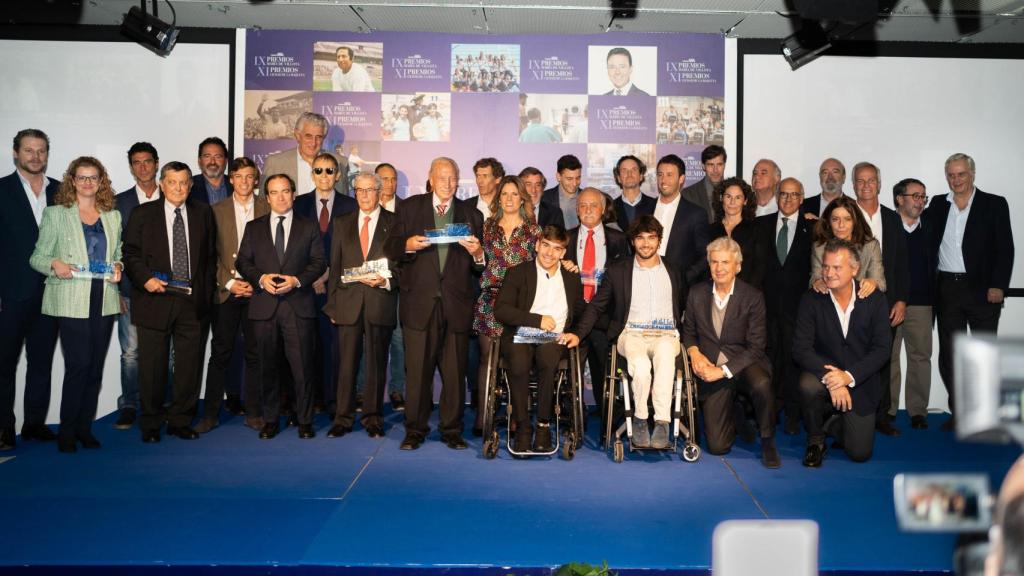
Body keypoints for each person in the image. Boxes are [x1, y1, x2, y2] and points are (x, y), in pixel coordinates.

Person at [384, 157, 485, 451]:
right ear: (430, 178)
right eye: (442, 177)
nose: (447, 183)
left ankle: (452, 430)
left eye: (452, 178)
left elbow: (479, 267)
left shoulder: (472, 214)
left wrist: (478, 253)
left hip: (456, 306)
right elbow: (391, 247)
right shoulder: (410, 207)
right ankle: (415, 430)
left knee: (454, 374)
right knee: (417, 373)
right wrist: (407, 245)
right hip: (419, 304)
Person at [28, 157, 122, 453]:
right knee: (79, 365)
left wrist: (118, 266)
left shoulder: (112, 216)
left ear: (101, 181)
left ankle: (84, 429)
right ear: (72, 180)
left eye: (93, 177)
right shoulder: (56, 213)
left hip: (103, 299)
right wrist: (54, 264)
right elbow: (37, 257)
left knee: (94, 368)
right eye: (82, 177)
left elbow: (117, 253)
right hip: (70, 300)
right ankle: (67, 432)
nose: (87, 183)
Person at [569, 215, 684, 449]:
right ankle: (640, 420)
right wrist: (579, 334)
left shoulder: (674, 270)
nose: (645, 243)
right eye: (640, 238)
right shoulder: (618, 270)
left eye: (651, 238)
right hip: (631, 334)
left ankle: (662, 422)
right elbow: (597, 306)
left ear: (659, 240)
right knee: (640, 367)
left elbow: (684, 305)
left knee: (665, 357)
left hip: (666, 335)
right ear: (632, 241)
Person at [122, 161, 217, 443]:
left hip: (192, 302)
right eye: (172, 182)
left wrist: (205, 294)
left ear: (191, 185)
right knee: (152, 366)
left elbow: (210, 257)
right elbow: (130, 253)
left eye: (184, 182)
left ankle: (180, 420)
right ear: (162, 184)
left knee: (189, 366)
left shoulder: (203, 212)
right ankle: (151, 423)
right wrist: (145, 280)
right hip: (155, 298)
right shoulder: (142, 214)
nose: (178, 188)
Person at [924, 153, 1014, 431]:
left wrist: (999, 285)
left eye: (961, 174)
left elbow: (1005, 248)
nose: (956, 180)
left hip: (983, 291)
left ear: (972, 174)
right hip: (947, 289)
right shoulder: (938, 204)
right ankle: (960, 413)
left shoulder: (994, 204)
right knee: (951, 355)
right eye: (951, 175)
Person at [235, 174, 326, 440]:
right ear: (267, 197)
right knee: (268, 367)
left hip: (298, 305)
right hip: (265, 306)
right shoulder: (254, 228)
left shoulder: (308, 226)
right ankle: (271, 419)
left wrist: (296, 281)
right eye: (274, 192)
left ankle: (305, 420)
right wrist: (261, 279)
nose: (281, 197)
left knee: (303, 367)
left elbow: (319, 262)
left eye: (285, 191)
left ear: (293, 194)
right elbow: (243, 262)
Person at [793, 238, 892, 466]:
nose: (829, 273)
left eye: (837, 267)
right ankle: (816, 440)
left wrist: (848, 377)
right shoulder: (811, 299)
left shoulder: (875, 300)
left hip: (860, 380)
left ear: (854, 269)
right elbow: (801, 348)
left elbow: (882, 349)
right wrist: (832, 378)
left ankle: (832, 423)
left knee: (859, 453)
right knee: (807, 385)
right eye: (826, 267)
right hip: (823, 375)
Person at [683, 237, 778, 468]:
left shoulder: (752, 296)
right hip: (710, 365)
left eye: (725, 262)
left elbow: (756, 347)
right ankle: (735, 413)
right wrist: (695, 353)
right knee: (717, 447)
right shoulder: (696, 293)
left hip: (744, 363)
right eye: (714, 262)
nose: (719, 268)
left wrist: (723, 371)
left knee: (761, 384)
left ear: (738, 266)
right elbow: (688, 333)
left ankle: (767, 440)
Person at [494, 227, 585, 452]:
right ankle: (523, 426)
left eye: (556, 249)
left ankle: (543, 425)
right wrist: (537, 320)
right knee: (519, 360)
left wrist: (577, 333)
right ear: (537, 245)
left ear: (563, 253)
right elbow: (501, 310)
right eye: (545, 245)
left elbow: (581, 311)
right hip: (521, 334)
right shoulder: (518, 272)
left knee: (548, 357)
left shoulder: (571, 277)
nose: (549, 253)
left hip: (554, 339)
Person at [197, 157, 269, 434]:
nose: (244, 181)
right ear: (231, 180)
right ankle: (210, 415)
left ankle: (254, 413)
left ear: (256, 179)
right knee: (220, 353)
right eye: (238, 176)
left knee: (256, 354)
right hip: (226, 292)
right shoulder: (215, 211)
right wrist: (228, 282)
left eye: (249, 176)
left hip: (257, 292)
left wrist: (256, 281)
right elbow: (209, 255)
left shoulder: (267, 207)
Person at [323, 172, 397, 438]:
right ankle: (342, 418)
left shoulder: (394, 222)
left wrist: (386, 281)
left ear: (379, 192)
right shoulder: (341, 222)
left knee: (376, 364)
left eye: (370, 190)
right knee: (346, 365)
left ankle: (373, 418)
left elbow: (402, 265)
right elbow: (335, 266)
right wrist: (333, 305)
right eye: (360, 190)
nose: (365, 195)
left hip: (379, 301)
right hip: (347, 302)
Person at [0, 128, 60, 450]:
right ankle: (3, 429)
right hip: (10, 295)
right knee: (3, 364)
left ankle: (34, 424)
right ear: (15, 153)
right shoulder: (1, 190)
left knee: (41, 362)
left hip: (52, 293)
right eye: (29, 150)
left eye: (41, 151)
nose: (35, 157)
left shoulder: (61, 191)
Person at [472, 175, 541, 434]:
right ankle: (483, 416)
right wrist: (477, 255)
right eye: (504, 194)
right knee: (486, 359)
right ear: (498, 198)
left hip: (520, 305)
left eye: (514, 194)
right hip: (489, 300)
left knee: (517, 360)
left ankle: (517, 415)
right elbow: (479, 262)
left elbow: (543, 264)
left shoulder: (534, 230)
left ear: (522, 198)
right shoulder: (488, 227)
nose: (509, 199)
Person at [293, 153, 357, 412]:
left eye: (329, 170)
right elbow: (292, 246)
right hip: (304, 288)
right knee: (304, 346)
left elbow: (353, 249)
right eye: (318, 170)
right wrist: (312, 275)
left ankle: (333, 401)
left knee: (334, 348)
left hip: (337, 288)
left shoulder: (350, 205)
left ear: (338, 175)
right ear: (312, 174)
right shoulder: (298, 204)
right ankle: (307, 401)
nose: (324, 176)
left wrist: (328, 274)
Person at [852, 161, 909, 437]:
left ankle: (881, 416)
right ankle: (850, 417)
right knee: (853, 357)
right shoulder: (845, 215)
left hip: (885, 301)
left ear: (879, 184)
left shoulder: (893, 218)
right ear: (854, 185)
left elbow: (901, 264)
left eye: (871, 180)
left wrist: (901, 300)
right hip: (851, 300)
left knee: (883, 359)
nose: (866, 185)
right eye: (860, 181)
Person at [753, 177, 813, 435]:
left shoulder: (813, 229)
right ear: (777, 197)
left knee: (793, 360)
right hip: (765, 308)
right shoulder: (760, 225)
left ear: (802, 198)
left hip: (798, 309)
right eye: (784, 194)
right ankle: (769, 410)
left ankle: (792, 413)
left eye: (794, 194)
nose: (788, 199)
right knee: (768, 359)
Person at [566, 188, 631, 416]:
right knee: (570, 372)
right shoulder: (566, 238)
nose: (588, 210)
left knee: (603, 371)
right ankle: (573, 417)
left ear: (603, 209)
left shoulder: (619, 240)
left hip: (604, 316)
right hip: (573, 316)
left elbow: (625, 280)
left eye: (593, 205)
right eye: (583, 205)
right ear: (577, 210)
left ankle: (608, 418)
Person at [112, 141, 162, 430]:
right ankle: (130, 405)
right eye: (137, 162)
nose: (143, 167)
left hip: (167, 290)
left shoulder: (172, 194)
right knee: (131, 352)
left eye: (148, 161)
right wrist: (116, 291)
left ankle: (164, 403)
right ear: (131, 167)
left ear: (156, 163)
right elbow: (114, 249)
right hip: (131, 290)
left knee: (167, 353)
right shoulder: (119, 203)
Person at [890, 178, 935, 430]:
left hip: (921, 302)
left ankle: (918, 411)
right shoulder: (886, 224)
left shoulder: (930, 226)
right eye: (915, 196)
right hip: (889, 302)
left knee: (920, 356)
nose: (920, 202)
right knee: (888, 356)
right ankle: (888, 410)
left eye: (923, 197)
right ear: (900, 199)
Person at [260, 112, 349, 197]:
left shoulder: (340, 162)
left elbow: (345, 201)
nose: (313, 143)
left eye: (318, 137)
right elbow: (263, 202)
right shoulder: (275, 163)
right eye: (308, 136)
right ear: (298, 135)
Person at [810, 195, 885, 297]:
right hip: (830, 300)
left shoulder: (870, 246)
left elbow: (880, 282)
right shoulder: (820, 247)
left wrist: (873, 283)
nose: (841, 225)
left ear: (855, 221)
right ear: (828, 222)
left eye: (847, 219)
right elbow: (815, 276)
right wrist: (818, 282)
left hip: (862, 300)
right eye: (835, 219)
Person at [653, 154, 710, 286]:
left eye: (669, 175)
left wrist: (684, 278)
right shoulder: (644, 209)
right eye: (660, 174)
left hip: (680, 287)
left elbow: (705, 255)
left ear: (681, 179)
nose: (663, 180)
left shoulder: (696, 214)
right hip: (646, 282)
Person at [709, 177, 760, 286]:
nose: (732, 202)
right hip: (715, 290)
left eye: (738, 197)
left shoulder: (756, 229)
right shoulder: (710, 230)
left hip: (747, 291)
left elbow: (760, 266)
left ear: (745, 201)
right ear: (721, 198)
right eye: (728, 196)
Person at [682, 144, 726, 223]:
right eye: (711, 165)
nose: (715, 170)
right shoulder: (688, 194)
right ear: (703, 166)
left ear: (724, 166)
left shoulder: (734, 193)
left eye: (719, 164)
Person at [611, 155, 656, 233]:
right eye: (624, 170)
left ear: (641, 176)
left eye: (634, 169)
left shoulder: (654, 205)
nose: (629, 174)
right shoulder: (610, 208)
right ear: (618, 178)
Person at [540, 154, 582, 230]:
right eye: (569, 179)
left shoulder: (587, 198)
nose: (574, 183)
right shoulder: (544, 198)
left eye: (578, 178)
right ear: (558, 177)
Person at [190, 137, 232, 204]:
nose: (212, 162)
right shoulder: (189, 186)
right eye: (207, 156)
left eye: (218, 157)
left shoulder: (236, 185)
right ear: (199, 161)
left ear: (226, 161)